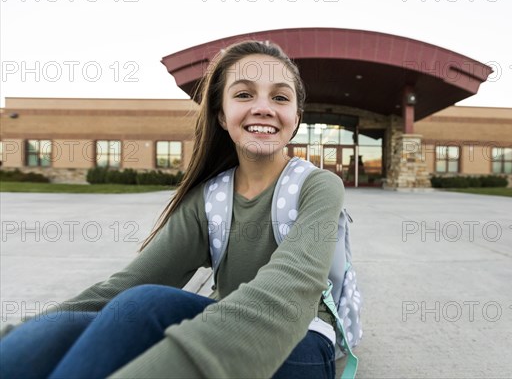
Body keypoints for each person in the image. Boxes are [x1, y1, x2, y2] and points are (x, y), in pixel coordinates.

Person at [0, 40, 345, 378]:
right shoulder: (211, 199)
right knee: (129, 306)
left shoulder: (318, 187)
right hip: (220, 322)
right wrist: (20, 337)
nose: (264, 107)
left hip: (302, 342)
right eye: (243, 94)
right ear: (221, 116)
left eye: (280, 97)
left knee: (152, 304)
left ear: (295, 118)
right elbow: (122, 289)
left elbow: (289, 289)